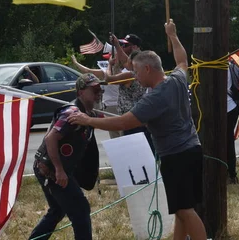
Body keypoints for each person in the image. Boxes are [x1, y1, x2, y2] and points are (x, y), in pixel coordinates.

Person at [69, 19, 207, 240]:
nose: (134, 76)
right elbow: (182, 60)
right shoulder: (178, 80)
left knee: (185, 211)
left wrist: (88, 120)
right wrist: (172, 34)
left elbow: (123, 123)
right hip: (192, 150)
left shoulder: (154, 99)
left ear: (148, 68)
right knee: (182, 209)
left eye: (136, 72)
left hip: (176, 156)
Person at [29, 73, 102, 240]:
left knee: (57, 210)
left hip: (49, 167)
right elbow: (50, 138)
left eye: (100, 89)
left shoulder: (88, 113)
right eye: (94, 90)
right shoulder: (72, 113)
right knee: (81, 209)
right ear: (81, 93)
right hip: (50, 169)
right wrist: (59, 170)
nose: (98, 93)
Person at [71, 54, 121, 139]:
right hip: (114, 105)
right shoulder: (123, 72)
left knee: (116, 135)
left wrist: (75, 62)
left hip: (112, 106)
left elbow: (87, 70)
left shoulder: (106, 73)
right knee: (117, 134)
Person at [226, 60, 239, 184]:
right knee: (227, 142)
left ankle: (231, 174)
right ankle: (229, 173)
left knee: (228, 142)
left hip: (229, 107)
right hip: (231, 106)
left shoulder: (229, 66)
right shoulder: (232, 65)